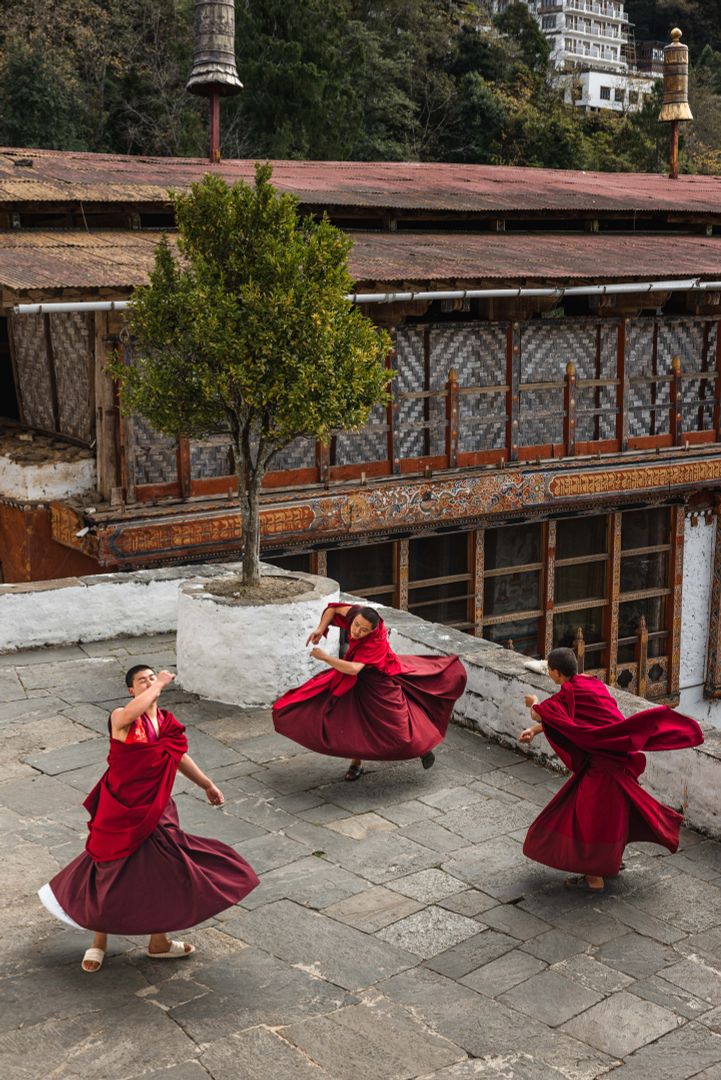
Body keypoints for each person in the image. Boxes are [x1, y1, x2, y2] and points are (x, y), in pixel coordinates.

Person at [38, 665, 259, 972]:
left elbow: (178, 756)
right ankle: (98, 942)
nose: (150, 682)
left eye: (153, 678)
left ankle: (159, 942)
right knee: (110, 870)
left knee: (162, 868)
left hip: (156, 808)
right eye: (142, 681)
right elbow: (129, 716)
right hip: (120, 808)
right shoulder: (120, 716)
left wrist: (207, 784)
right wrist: (161, 684)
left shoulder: (165, 722)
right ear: (131, 690)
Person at [519, 646, 704, 892]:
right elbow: (569, 721)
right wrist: (534, 731)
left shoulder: (567, 695)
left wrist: (534, 703)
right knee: (614, 816)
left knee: (589, 820)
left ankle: (594, 877)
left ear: (554, 672)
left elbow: (541, 714)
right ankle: (609, 861)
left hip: (602, 771)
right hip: (618, 760)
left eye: (549, 671)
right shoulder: (591, 685)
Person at [273, 602, 467, 781]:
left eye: (363, 630)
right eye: (356, 625)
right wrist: (321, 628)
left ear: (373, 630)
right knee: (352, 721)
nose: (357, 631)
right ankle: (356, 764)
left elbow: (354, 668)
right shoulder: (357, 613)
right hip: (353, 679)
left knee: (399, 728)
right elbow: (332, 609)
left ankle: (421, 747)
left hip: (378, 682)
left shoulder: (376, 642)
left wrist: (324, 657)